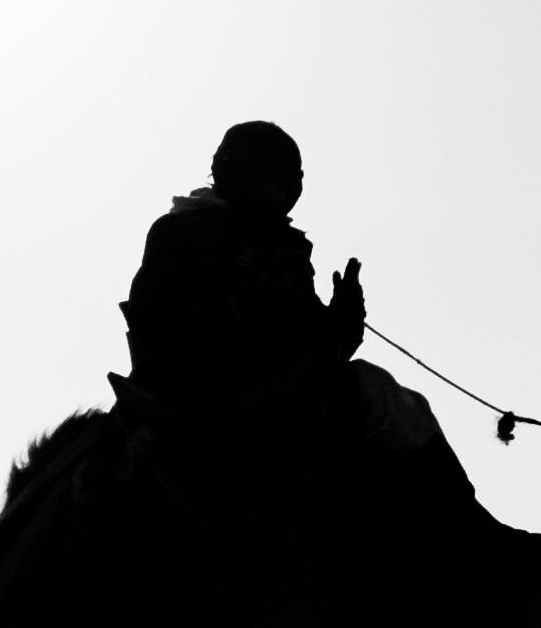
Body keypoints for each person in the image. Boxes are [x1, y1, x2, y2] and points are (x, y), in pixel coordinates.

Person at [120, 123, 365, 436]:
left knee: (377, 394)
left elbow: (316, 349)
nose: (289, 190)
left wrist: (345, 317)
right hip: (198, 401)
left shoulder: (285, 251)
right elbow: (155, 324)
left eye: (294, 179)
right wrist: (240, 309)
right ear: (234, 172)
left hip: (278, 395)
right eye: (275, 176)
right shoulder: (181, 231)